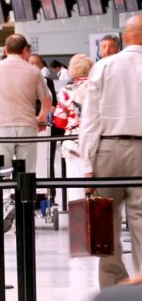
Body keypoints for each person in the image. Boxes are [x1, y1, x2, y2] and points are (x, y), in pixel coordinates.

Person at [80, 15, 142, 288]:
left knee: (107, 222)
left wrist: (87, 165)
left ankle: (112, 285)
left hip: (108, 149)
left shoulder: (104, 66)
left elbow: (90, 119)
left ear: (125, 37)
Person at [0, 34, 51, 173]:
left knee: (0, 171)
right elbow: (46, 99)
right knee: (26, 173)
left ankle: (2, 195)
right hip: (27, 125)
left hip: (1, 125)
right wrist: (42, 117)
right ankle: (25, 195)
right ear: (24, 51)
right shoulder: (34, 71)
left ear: (5, 50)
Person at [52, 54, 94, 203]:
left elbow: (59, 121)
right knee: (100, 190)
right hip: (97, 143)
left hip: (73, 144)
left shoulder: (66, 91)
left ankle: (79, 223)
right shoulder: (98, 87)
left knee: (76, 192)